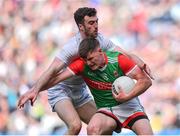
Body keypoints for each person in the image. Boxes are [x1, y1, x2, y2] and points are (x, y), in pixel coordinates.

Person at [18, 7, 154, 135]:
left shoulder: (100, 41)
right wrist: (35, 90)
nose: (95, 26)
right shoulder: (72, 48)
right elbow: (52, 70)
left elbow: (125, 55)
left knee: (104, 129)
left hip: (81, 93)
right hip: (60, 89)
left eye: (96, 22)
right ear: (81, 27)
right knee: (75, 126)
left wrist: (142, 64)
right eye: (91, 23)